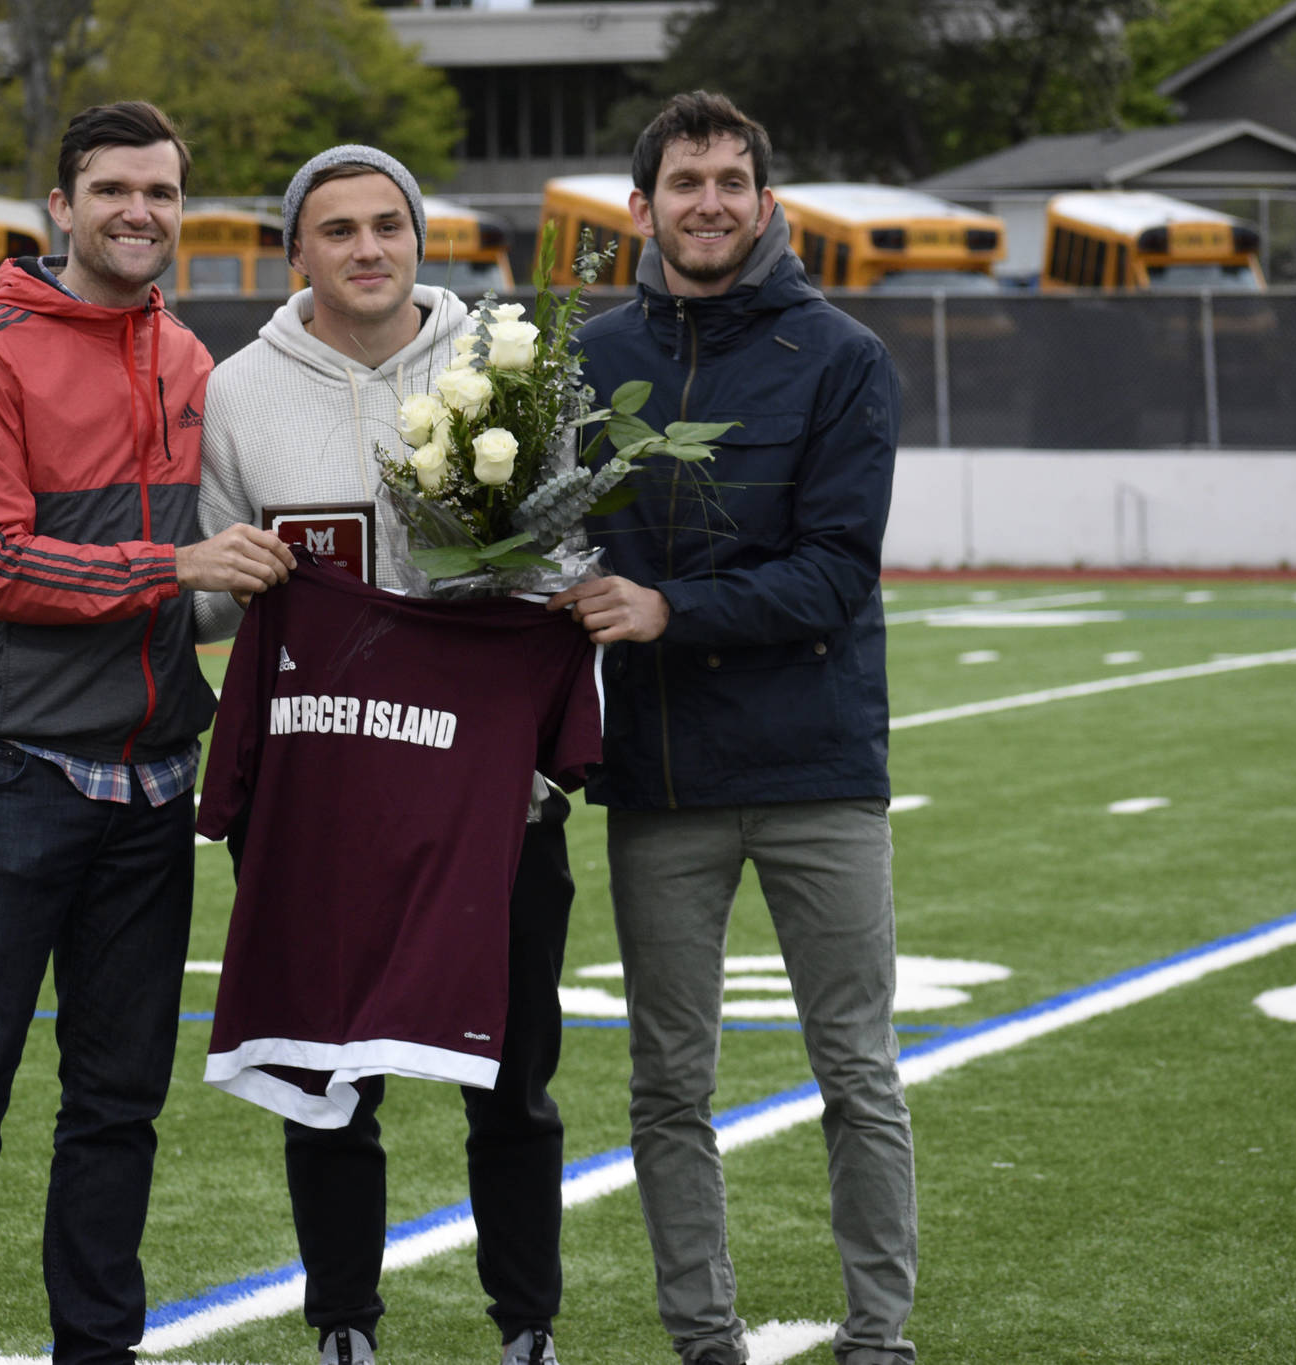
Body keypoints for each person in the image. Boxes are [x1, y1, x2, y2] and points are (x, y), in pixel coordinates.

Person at [0, 100, 295, 1365]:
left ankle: (98, 1352)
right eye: (112, 189)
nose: (138, 213)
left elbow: (208, 587)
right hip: (14, 776)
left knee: (118, 1108)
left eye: (161, 193)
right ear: (59, 206)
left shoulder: (191, 361)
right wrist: (177, 565)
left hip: (154, 790)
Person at [547, 91, 916, 1365]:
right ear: (638, 210)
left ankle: (879, 1337)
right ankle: (702, 1336)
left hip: (817, 770)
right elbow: (551, 551)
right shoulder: (586, 360)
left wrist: (666, 608)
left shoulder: (843, 357)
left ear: (766, 203)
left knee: (855, 1072)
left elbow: (833, 574)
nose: (708, 202)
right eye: (682, 182)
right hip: (661, 777)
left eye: (729, 180)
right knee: (667, 1086)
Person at [195, 144, 573, 1365]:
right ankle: (343, 1326)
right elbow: (211, 598)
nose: (367, 249)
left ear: (420, 239)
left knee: (509, 1081)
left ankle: (525, 1326)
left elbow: (564, 568)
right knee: (327, 1077)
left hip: (489, 801)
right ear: (295, 251)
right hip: (324, 802)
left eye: (388, 226)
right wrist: (230, 574)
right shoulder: (239, 391)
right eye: (338, 229)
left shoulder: (504, 366)